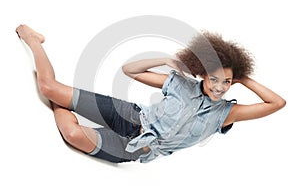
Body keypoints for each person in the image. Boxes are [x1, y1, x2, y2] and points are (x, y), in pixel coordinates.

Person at [16, 24, 286, 163]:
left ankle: (61, 107)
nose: (219, 87)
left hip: (139, 148)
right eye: (214, 78)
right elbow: (129, 70)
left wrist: (242, 77)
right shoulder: (181, 84)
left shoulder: (227, 113)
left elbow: (278, 103)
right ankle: (33, 40)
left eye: (226, 82)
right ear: (202, 73)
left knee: (73, 134)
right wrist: (167, 61)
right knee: (48, 88)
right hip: (131, 116)